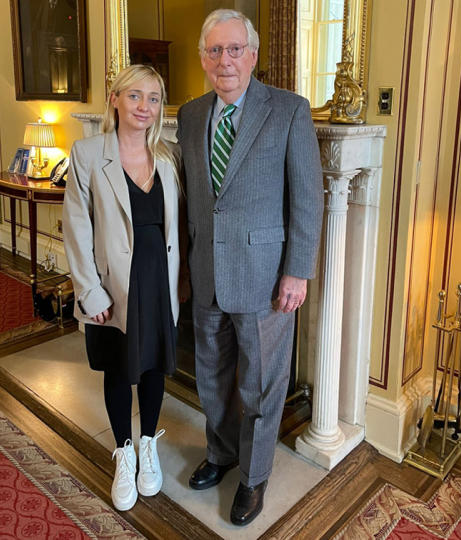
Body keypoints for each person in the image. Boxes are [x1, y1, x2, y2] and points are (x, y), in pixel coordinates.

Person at [177, 9, 323, 526]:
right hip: (208, 271)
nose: (225, 60)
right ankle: (221, 454)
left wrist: (297, 271)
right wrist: (184, 270)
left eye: (234, 49)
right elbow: (193, 200)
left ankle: (255, 475)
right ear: (202, 59)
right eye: (214, 51)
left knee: (262, 384)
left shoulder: (288, 110)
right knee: (212, 377)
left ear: (253, 55)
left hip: (266, 278)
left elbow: (307, 198)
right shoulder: (191, 115)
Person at [61, 64, 188, 512]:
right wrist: (90, 292)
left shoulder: (170, 155)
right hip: (112, 285)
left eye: (154, 98)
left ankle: (148, 446)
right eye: (135, 96)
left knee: (152, 367)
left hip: (159, 282)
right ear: (115, 99)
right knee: (118, 368)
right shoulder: (88, 153)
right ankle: (124, 450)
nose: (145, 107)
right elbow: (76, 228)